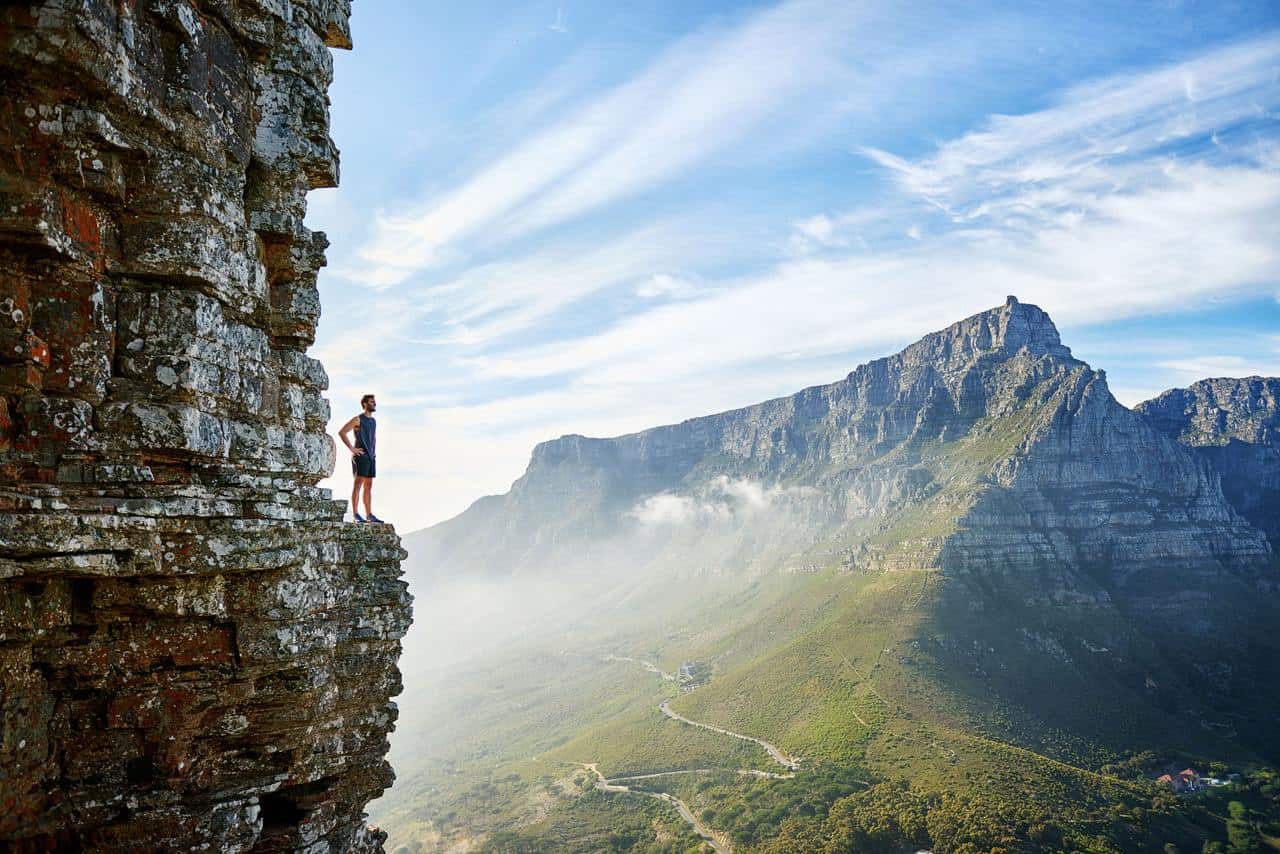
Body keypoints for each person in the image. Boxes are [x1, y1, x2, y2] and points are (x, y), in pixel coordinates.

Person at [339, 394, 384, 523]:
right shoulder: (357, 419)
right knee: (358, 485)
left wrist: (373, 453)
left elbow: (373, 438)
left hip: (371, 457)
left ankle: (369, 514)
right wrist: (352, 449)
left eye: (374, 401)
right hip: (360, 456)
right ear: (365, 404)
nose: (374, 403)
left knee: (368, 486)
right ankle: (356, 515)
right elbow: (342, 432)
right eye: (371, 401)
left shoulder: (373, 421)